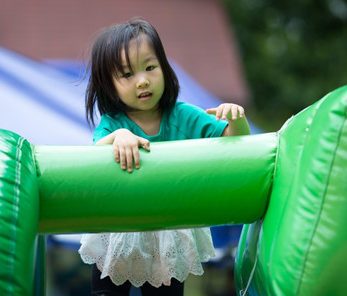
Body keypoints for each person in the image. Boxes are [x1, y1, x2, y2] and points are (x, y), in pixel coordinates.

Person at [78, 17, 251, 296]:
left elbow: (235, 144)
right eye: (127, 74)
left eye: (150, 67)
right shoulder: (112, 123)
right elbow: (95, 155)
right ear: (108, 85)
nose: (143, 81)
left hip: (168, 230)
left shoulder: (182, 116)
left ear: (164, 67)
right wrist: (117, 137)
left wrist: (237, 118)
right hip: (118, 227)